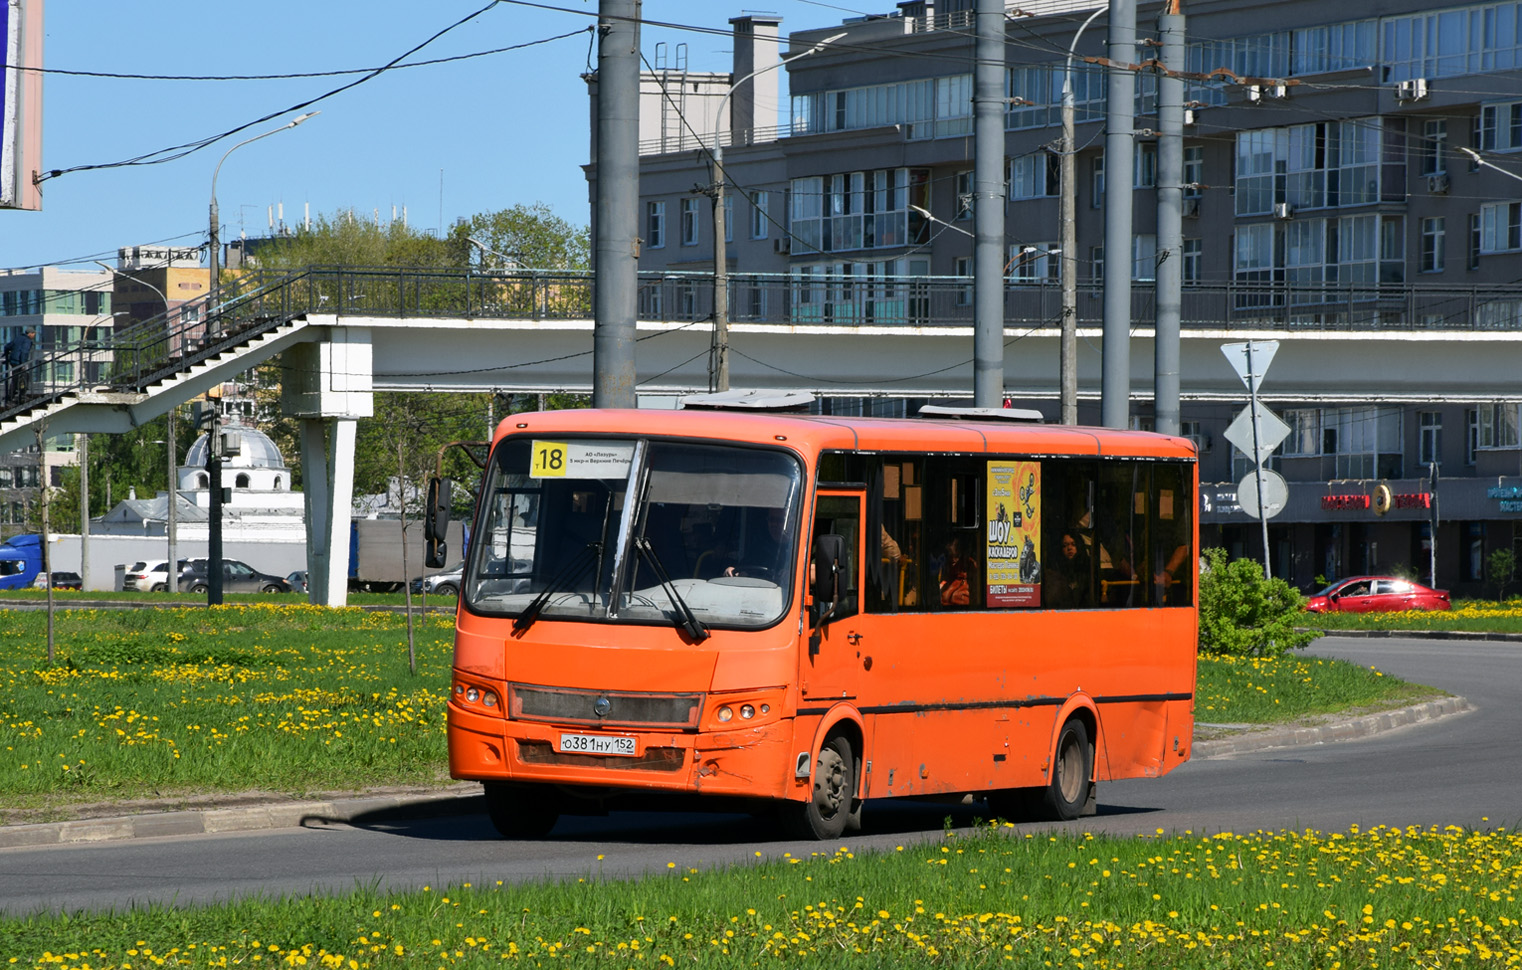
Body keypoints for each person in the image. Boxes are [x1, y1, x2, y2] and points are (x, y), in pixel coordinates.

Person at [1046, 531, 1093, 608]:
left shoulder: (1088, 570)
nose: (1069, 548)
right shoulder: (1055, 572)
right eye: (1065, 545)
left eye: (1073, 544)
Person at [938, 535, 978, 607]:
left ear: (958, 546)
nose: (948, 547)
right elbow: (943, 580)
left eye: (951, 544)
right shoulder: (946, 563)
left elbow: (975, 589)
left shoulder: (970, 564)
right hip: (946, 605)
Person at [4, 327, 35, 404]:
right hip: (19, 362)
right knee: (24, 377)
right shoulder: (27, 341)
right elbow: (24, 352)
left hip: (13, 361)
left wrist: (7, 354)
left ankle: (13, 396)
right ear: (30, 333)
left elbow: (7, 346)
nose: (34, 336)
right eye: (33, 334)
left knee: (16, 378)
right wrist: (23, 364)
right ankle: (20, 396)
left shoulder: (18, 338)